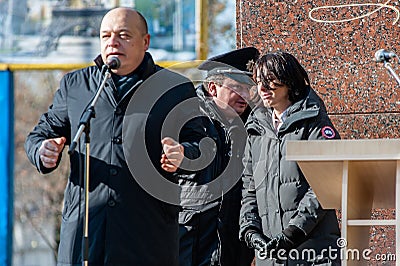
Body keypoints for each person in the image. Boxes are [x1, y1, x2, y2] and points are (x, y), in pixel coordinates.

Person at [25, 7, 207, 265]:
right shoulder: (76, 86)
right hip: (85, 233)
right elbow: (41, 134)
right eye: (105, 36)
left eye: (123, 35)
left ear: (145, 42)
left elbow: (202, 144)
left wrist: (183, 154)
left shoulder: (174, 88)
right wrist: (43, 150)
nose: (112, 42)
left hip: (147, 237)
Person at [239, 51, 341, 265]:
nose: (262, 88)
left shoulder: (314, 123)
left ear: (288, 80)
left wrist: (293, 232)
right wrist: (249, 228)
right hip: (271, 255)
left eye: (269, 81)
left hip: (313, 253)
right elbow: (249, 187)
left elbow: (324, 185)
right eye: (258, 81)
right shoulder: (256, 128)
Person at [178, 47, 258, 266]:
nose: (244, 96)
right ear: (212, 88)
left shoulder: (254, 126)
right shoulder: (186, 119)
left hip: (233, 246)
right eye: (236, 88)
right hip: (190, 243)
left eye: (248, 89)